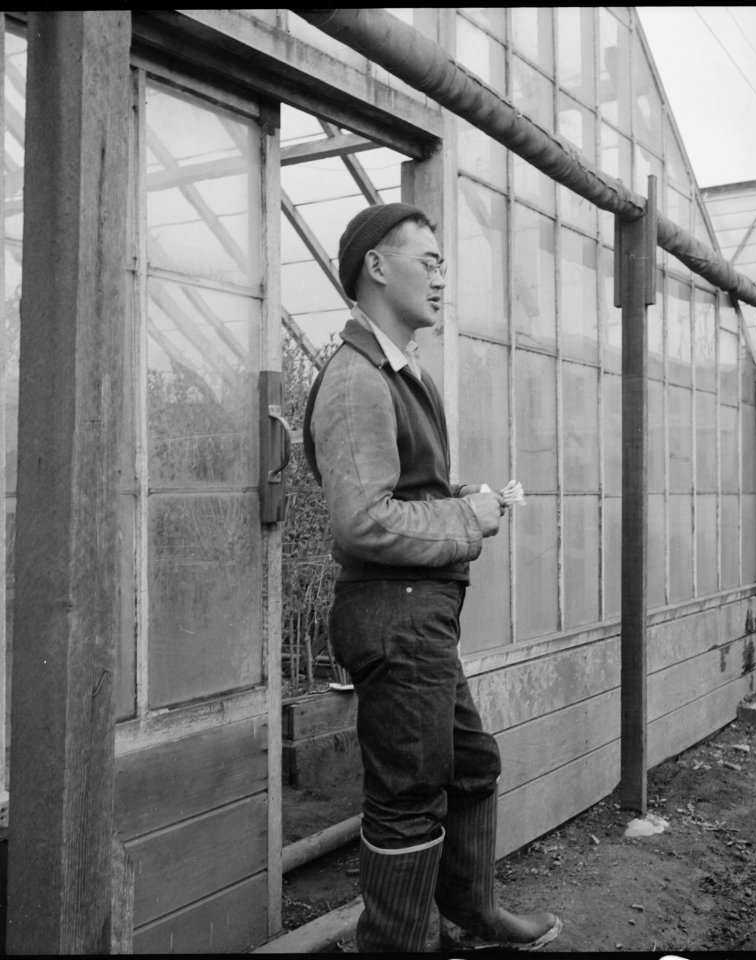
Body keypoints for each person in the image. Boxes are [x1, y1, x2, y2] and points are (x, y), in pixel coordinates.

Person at [303, 203, 562, 952]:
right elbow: (362, 521)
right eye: (430, 260)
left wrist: (458, 501)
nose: (443, 276)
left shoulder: (397, 368)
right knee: (407, 793)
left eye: (444, 262)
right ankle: (396, 941)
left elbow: (400, 499)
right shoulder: (356, 379)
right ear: (376, 267)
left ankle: (465, 914)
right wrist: (468, 520)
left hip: (418, 614)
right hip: (392, 613)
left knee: (470, 765)